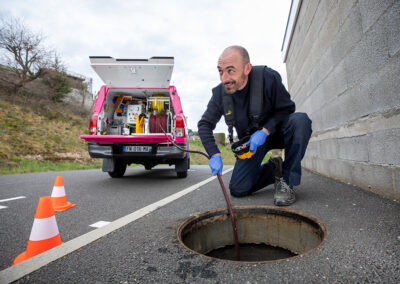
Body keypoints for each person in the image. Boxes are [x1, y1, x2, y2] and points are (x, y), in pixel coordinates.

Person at [197, 45, 312, 206]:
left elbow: (287, 108)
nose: (224, 78)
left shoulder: (268, 78)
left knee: (300, 121)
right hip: (252, 144)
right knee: (238, 189)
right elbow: (204, 125)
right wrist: (214, 153)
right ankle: (274, 168)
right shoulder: (220, 94)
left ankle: (287, 182)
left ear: (247, 68)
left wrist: (265, 131)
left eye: (230, 70)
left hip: (278, 132)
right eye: (220, 71)